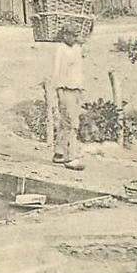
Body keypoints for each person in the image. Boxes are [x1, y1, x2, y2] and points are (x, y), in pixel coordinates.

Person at [52, 24, 85, 170]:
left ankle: (58, 153)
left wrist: (81, 89)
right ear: (64, 35)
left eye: (76, 36)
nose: (74, 38)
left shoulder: (77, 49)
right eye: (71, 35)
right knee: (71, 124)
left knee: (67, 122)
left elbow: (78, 71)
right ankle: (70, 157)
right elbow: (58, 72)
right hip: (65, 89)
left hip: (76, 89)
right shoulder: (61, 49)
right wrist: (59, 91)